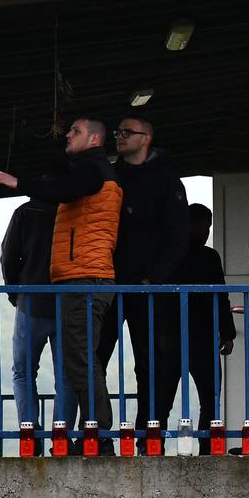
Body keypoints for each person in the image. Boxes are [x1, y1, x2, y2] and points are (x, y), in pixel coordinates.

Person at [0, 117, 121, 438]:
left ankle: (40, 434)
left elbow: (8, 255)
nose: (67, 135)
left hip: (61, 290)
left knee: (33, 370)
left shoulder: (88, 174)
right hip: (71, 288)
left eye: (75, 131)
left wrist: (20, 183)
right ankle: (66, 434)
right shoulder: (88, 185)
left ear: (93, 139)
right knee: (71, 369)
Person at [98, 116, 190, 430]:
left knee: (150, 363)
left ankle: (148, 433)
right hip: (108, 283)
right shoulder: (110, 176)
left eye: (127, 132)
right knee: (94, 358)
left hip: (146, 287)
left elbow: (178, 237)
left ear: (145, 138)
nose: (120, 137)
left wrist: (155, 278)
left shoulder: (166, 181)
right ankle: (95, 431)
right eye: (117, 131)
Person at [0, 173, 59, 441]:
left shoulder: (25, 213)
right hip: (67, 301)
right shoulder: (71, 212)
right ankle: (62, 435)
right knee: (67, 374)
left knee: (23, 371)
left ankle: (28, 433)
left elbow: (9, 255)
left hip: (31, 300)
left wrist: (15, 292)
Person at [179, 204, 236, 449]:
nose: (206, 230)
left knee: (162, 398)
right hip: (202, 336)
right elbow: (220, 297)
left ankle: (151, 446)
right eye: (205, 225)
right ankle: (206, 450)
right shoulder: (208, 257)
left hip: (173, 336)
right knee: (210, 399)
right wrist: (228, 333)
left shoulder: (171, 255)